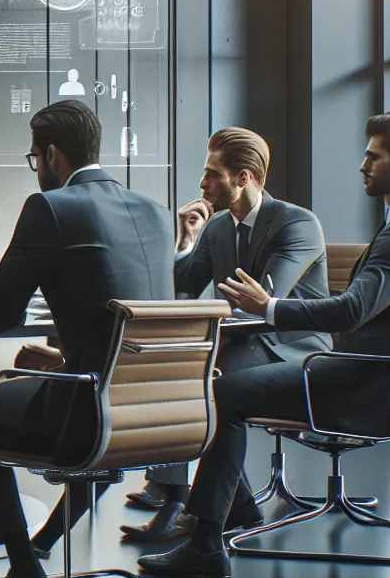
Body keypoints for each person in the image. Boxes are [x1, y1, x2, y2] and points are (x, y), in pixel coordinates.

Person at [137, 112, 390, 578]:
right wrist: (185, 243)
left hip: (359, 380)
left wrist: (269, 307)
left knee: (219, 391)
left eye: (373, 156)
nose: (362, 164)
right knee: (211, 380)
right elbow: (183, 285)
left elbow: (349, 311)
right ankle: (232, 509)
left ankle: (205, 540)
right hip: (365, 371)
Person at [0, 100, 174, 578]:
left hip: (89, 414)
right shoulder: (156, 212)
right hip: (160, 413)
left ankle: (25, 576)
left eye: (34, 158)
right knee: (67, 396)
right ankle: (44, 542)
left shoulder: (50, 208)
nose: (37, 170)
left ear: (51, 154)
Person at [113, 127, 332, 543]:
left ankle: (188, 506)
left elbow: (264, 304)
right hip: (238, 342)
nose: (202, 183)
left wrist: (207, 333)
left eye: (212, 173)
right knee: (173, 369)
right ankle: (217, 502)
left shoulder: (297, 223)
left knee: (202, 380)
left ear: (244, 177)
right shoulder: (216, 229)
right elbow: (179, 289)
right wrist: (184, 240)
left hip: (292, 349)